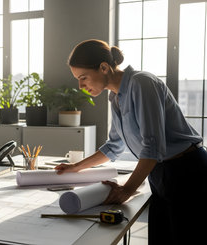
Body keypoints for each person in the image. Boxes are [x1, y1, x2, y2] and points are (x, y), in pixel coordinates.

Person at [56, 39, 207, 244]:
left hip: (187, 171)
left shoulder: (141, 83)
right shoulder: (115, 97)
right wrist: (76, 167)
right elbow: (113, 146)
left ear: (103, 67)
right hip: (160, 172)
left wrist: (127, 189)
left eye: (83, 78)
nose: (81, 86)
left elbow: (152, 147)